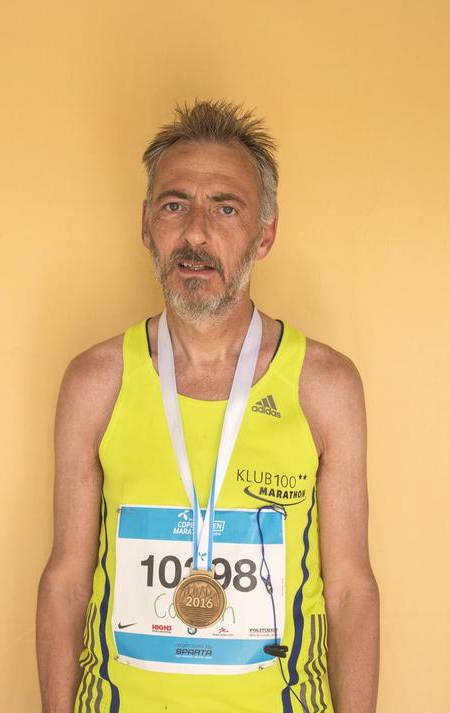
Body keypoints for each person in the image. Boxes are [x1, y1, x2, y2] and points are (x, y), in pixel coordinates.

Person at [36, 100, 379, 713]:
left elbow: (351, 591)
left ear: (264, 234)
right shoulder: (95, 382)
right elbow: (65, 582)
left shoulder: (325, 386)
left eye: (226, 208)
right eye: (175, 205)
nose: (195, 233)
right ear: (147, 224)